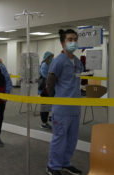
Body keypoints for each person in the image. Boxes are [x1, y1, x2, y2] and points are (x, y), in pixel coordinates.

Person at [46, 29, 83, 175]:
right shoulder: (58, 61)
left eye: (75, 39)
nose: (73, 42)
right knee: (59, 138)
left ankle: (65, 163)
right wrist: (58, 98)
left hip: (75, 109)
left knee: (72, 139)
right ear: (63, 42)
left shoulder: (78, 62)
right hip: (62, 109)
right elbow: (50, 84)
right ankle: (53, 166)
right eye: (69, 39)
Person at [38, 52, 54, 130]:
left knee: (48, 106)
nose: (52, 59)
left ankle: (46, 120)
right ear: (47, 57)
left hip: (48, 89)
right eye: (51, 57)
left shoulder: (49, 65)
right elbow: (47, 76)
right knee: (45, 107)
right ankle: (44, 122)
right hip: (44, 89)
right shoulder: (44, 65)